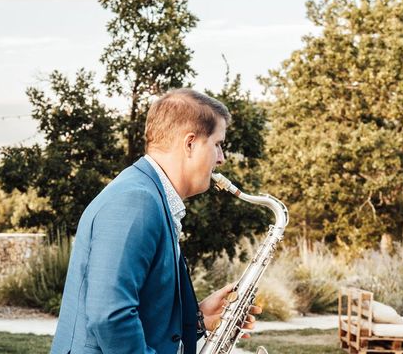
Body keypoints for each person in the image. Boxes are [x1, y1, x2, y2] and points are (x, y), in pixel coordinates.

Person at [50, 88, 260, 354]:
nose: (221, 158)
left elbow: (141, 307)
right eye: (217, 144)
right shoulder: (135, 200)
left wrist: (198, 320)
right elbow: (110, 317)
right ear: (190, 143)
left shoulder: (151, 195)